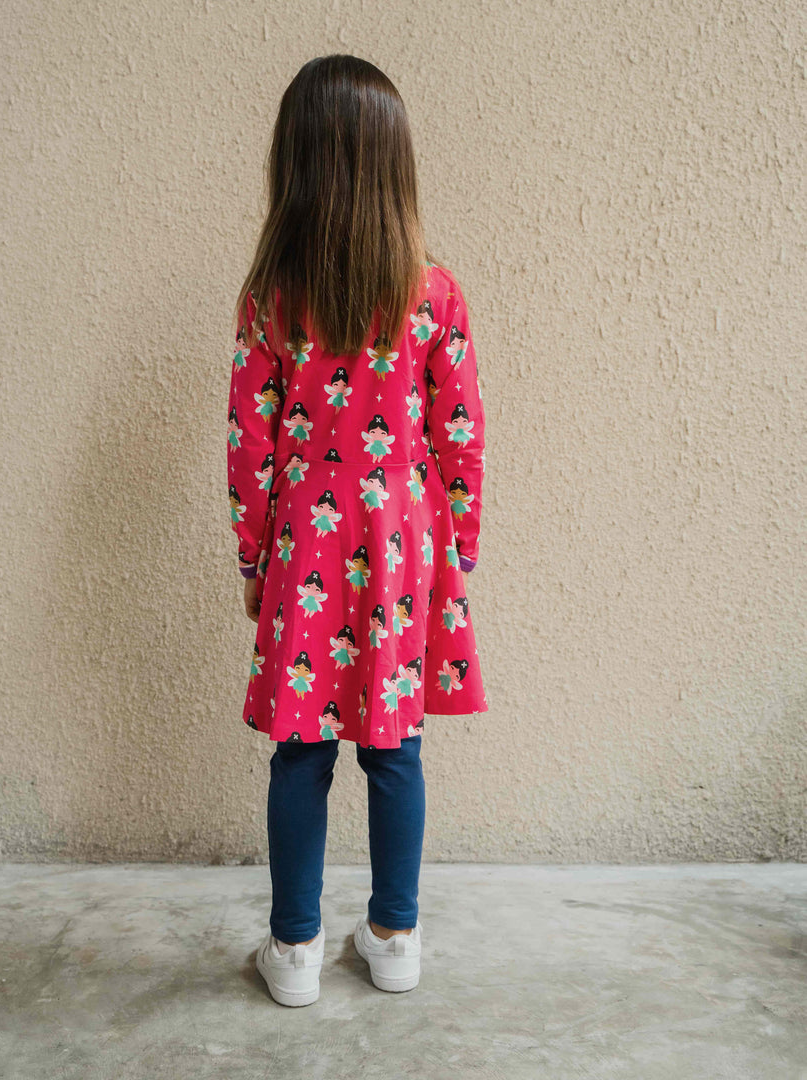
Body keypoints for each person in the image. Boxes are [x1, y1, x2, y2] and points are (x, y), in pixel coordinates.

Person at [225, 54, 487, 1007]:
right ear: (396, 165)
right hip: (404, 546)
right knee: (395, 743)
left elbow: (250, 441)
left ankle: (293, 950)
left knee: (300, 746)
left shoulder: (272, 296)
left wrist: (254, 557)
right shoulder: (434, 293)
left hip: (307, 544)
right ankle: (394, 936)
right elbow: (461, 435)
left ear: (296, 165)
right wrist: (455, 555)